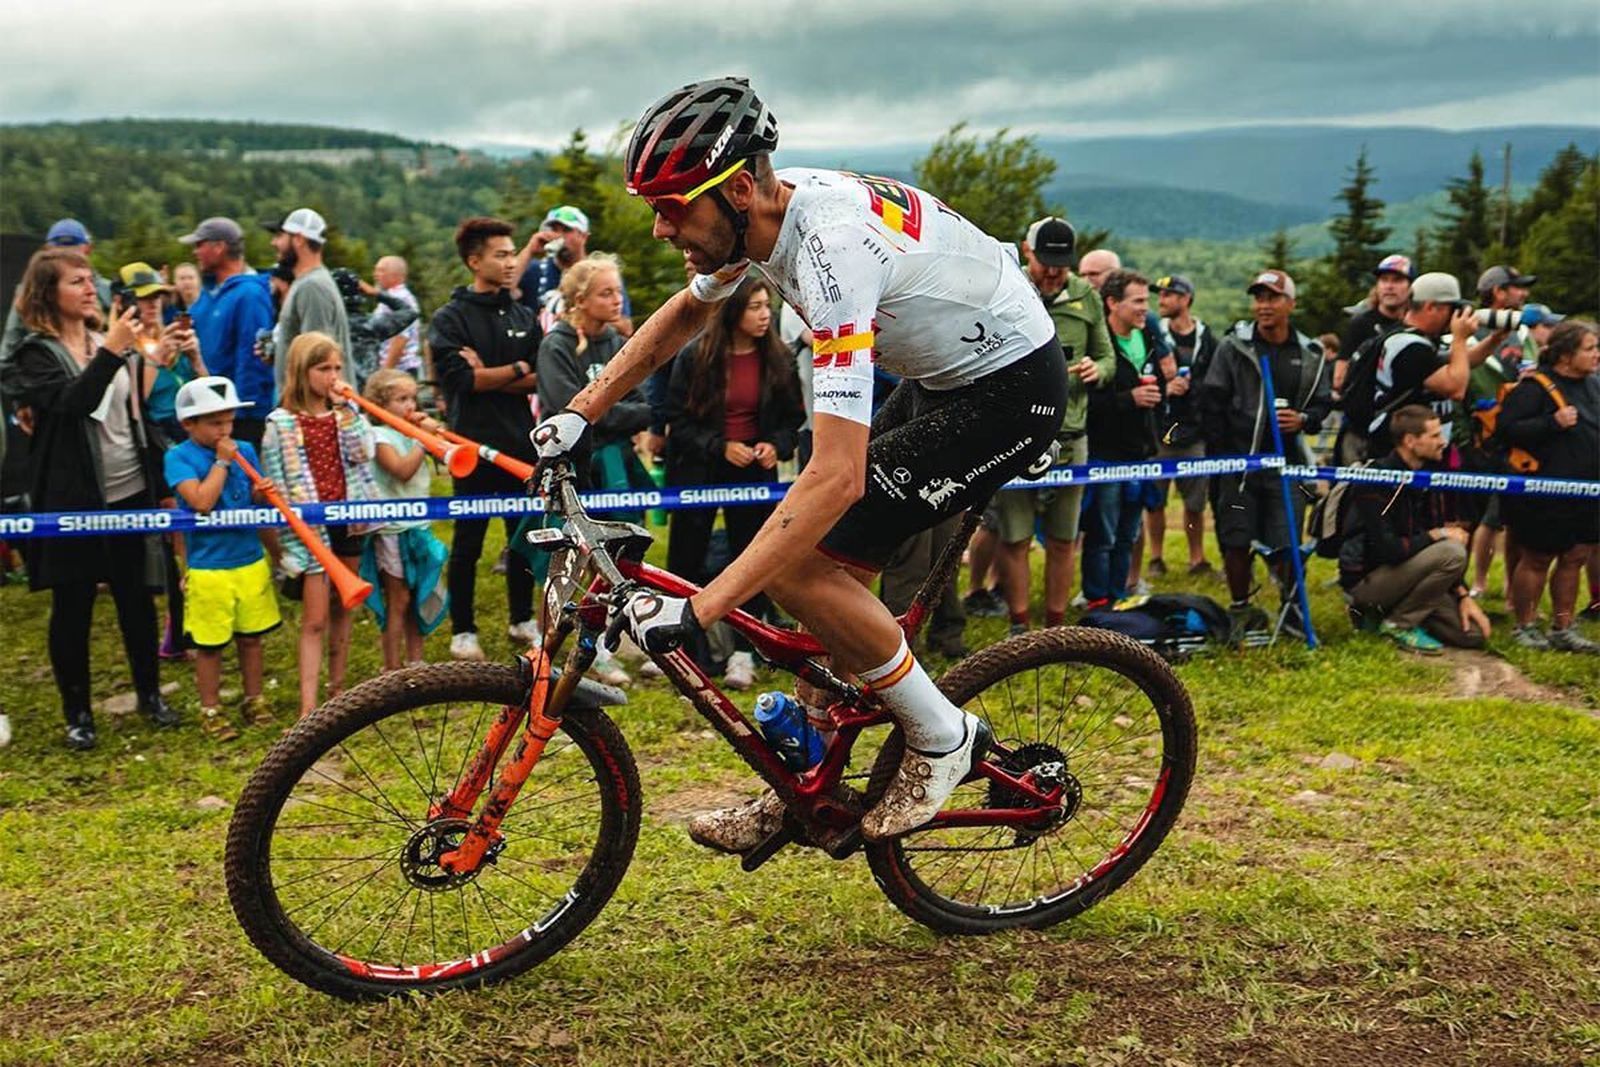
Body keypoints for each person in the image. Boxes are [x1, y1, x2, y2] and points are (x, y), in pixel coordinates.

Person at [530, 77, 1067, 847]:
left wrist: (703, 607)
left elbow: (834, 475)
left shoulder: (833, 252)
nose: (658, 228)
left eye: (673, 206)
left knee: (797, 569)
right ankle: (806, 783)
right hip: (944, 376)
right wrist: (583, 410)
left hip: (1009, 389)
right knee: (826, 585)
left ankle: (944, 736)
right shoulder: (764, 218)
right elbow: (690, 308)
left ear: (740, 187)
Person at [0, 248, 178, 749]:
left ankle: (150, 695)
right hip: (74, 499)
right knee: (73, 604)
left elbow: (134, 415)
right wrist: (112, 352)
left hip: (129, 492)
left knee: (137, 599)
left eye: (88, 279)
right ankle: (78, 713)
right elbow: (75, 403)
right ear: (47, 293)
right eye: (74, 280)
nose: (87, 287)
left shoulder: (108, 340)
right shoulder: (36, 354)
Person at [664, 274, 804, 687]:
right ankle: (686, 650)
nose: (765, 316)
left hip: (755, 475)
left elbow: (793, 420)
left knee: (752, 558)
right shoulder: (695, 358)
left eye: (767, 307)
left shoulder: (779, 359)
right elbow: (678, 420)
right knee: (686, 558)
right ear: (733, 312)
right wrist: (719, 446)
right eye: (755, 307)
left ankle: (745, 651)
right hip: (699, 471)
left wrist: (772, 446)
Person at [990, 216, 1111, 629]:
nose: (1055, 270)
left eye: (1062, 262)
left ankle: (1056, 625)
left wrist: (1100, 369)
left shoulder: (1086, 296)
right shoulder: (1008, 287)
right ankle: (1019, 623)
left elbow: (1108, 356)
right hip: (1014, 435)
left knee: (1063, 539)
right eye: (1046, 261)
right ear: (1027, 252)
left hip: (1072, 437)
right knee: (1015, 536)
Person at [429, 216, 542, 661]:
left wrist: (494, 373)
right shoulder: (450, 318)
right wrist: (512, 370)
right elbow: (459, 381)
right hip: (470, 447)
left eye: (513, 252)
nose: (511, 261)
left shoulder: (522, 314)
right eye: (501, 254)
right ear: (475, 261)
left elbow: (537, 376)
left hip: (518, 444)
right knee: (469, 541)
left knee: (521, 538)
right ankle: (464, 629)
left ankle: (521, 618)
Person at [535, 253, 651, 686]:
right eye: (606, 293)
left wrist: (608, 414)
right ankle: (552, 648)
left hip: (616, 461)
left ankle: (604, 644)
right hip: (575, 467)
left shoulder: (616, 343)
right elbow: (570, 411)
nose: (616, 299)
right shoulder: (558, 345)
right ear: (581, 300)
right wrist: (610, 414)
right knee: (571, 561)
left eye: (618, 291)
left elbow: (645, 406)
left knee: (619, 555)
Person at [1198, 270, 1332, 639]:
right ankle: (1240, 609)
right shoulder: (1234, 347)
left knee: (1286, 541)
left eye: (1272, 298)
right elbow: (1211, 400)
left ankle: (1291, 612)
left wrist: (1303, 420)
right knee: (1236, 538)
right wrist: (1224, 455)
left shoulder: (1310, 355)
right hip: (1238, 465)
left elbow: (1322, 406)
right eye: (1258, 298)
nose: (1263, 306)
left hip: (1287, 467)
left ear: (1291, 303)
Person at [262, 332, 380, 715]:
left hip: (349, 518)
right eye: (323, 368)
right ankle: (308, 707)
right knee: (314, 618)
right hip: (309, 526)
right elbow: (276, 479)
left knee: (344, 606)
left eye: (337, 368)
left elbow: (365, 453)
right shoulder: (279, 422)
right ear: (301, 370)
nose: (332, 376)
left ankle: (338, 691)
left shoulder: (345, 414)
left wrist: (349, 409)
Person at [164, 376, 283, 738]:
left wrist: (263, 493)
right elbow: (200, 501)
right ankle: (211, 708)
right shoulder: (178, 456)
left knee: (252, 638)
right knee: (210, 646)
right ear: (189, 423)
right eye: (215, 423)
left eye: (229, 420)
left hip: (248, 559)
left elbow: (252, 499)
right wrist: (221, 463)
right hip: (208, 567)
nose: (225, 429)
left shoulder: (244, 449)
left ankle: (254, 699)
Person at [1338, 405, 1489, 654]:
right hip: (1368, 581)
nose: (1443, 442)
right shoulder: (1377, 479)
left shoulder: (1429, 477)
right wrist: (1438, 535)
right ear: (1410, 441)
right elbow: (1390, 550)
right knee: (1453, 551)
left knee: (1473, 635)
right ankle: (1398, 623)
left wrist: (1463, 596)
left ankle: (1391, 616)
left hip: (1410, 575)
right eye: (1434, 436)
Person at [1499, 320, 1600, 652]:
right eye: (1590, 348)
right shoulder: (1535, 387)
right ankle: (1525, 626)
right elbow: (1507, 429)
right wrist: (1551, 423)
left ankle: (1563, 627)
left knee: (1576, 557)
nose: (1597, 354)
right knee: (1538, 558)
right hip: (1544, 492)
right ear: (1566, 355)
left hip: (1587, 491)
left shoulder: (1595, 386)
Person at [1081, 269, 1160, 610]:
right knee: (1103, 536)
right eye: (1138, 301)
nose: (1146, 308)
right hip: (1105, 455)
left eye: (1147, 300)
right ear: (1112, 303)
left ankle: (1120, 596)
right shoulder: (1099, 346)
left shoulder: (1148, 337)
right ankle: (1097, 600)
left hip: (1140, 454)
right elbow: (1085, 404)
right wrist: (1129, 399)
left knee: (1128, 535)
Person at [361, 369, 450, 671]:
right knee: (397, 599)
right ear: (380, 405)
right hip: (393, 530)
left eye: (413, 398)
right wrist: (423, 441)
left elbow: (447, 462)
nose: (411, 405)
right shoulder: (379, 436)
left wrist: (437, 439)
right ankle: (392, 665)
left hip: (418, 525)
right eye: (401, 399)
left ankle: (415, 660)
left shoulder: (410, 435)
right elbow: (401, 470)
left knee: (417, 596)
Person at [180, 217, 276, 447]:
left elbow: (253, 358)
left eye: (199, 245)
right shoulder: (208, 294)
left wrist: (239, 419)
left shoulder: (250, 294)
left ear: (219, 247)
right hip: (206, 413)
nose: (195, 252)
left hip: (233, 420)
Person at [1362, 272, 1479, 458]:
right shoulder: (1410, 347)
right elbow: (1456, 388)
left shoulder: (1417, 340)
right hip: (1404, 453)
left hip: (1425, 449)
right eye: (1451, 308)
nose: (1454, 316)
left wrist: (1496, 338)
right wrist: (1460, 338)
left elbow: (1461, 363)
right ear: (1431, 307)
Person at [1150, 274, 1215, 578]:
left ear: (1186, 298)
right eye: (1160, 295)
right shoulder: (1153, 335)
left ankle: (1196, 559)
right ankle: (1156, 558)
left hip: (1195, 431)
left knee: (1195, 502)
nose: (1161, 300)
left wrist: (1195, 389)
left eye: (1169, 294)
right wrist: (1166, 388)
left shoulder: (1208, 338)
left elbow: (1218, 381)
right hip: (1159, 430)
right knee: (1154, 500)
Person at [515, 206, 635, 336]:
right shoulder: (536, 269)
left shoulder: (600, 275)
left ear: (584, 236)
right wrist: (529, 251)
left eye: (566, 230)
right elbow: (503, 290)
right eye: (554, 229)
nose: (558, 236)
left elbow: (626, 327)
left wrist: (575, 320)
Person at [270, 209, 350, 395]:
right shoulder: (306, 283)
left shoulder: (313, 287)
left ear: (298, 239)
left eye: (281, 236)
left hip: (311, 409)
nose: (274, 243)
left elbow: (318, 358)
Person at [332, 267, 420, 389]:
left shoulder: (325, 325)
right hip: (369, 390)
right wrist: (377, 293)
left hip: (337, 388)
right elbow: (409, 312)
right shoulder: (371, 325)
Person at [1337, 254, 1413, 392]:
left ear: (1410, 287)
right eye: (1384, 280)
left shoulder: (1415, 325)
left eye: (1397, 280)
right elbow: (1339, 378)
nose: (1389, 286)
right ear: (1377, 286)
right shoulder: (1360, 324)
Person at [372, 256, 423, 375]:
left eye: (381, 270)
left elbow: (400, 338)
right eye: (376, 270)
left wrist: (384, 373)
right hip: (398, 369)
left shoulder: (397, 298)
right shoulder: (397, 296)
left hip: (398, 370)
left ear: (396, 275)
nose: (375, 274)